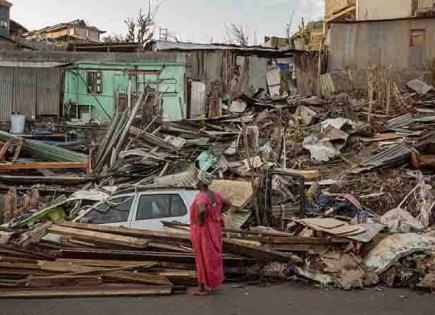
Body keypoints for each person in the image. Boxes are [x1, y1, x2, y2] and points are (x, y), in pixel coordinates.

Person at [189, 171, 232, 296]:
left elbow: (201, 209)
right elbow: (228, 204)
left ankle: (201, 288)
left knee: (202, 257)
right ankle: (212, 282)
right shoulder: (215, 195)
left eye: (197, 181)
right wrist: (216, 213)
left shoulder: (201, 196)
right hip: (215, 228)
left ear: (201, 182)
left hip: (203, 230)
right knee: (213, 256)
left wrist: (200, 222)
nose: (195, 183)